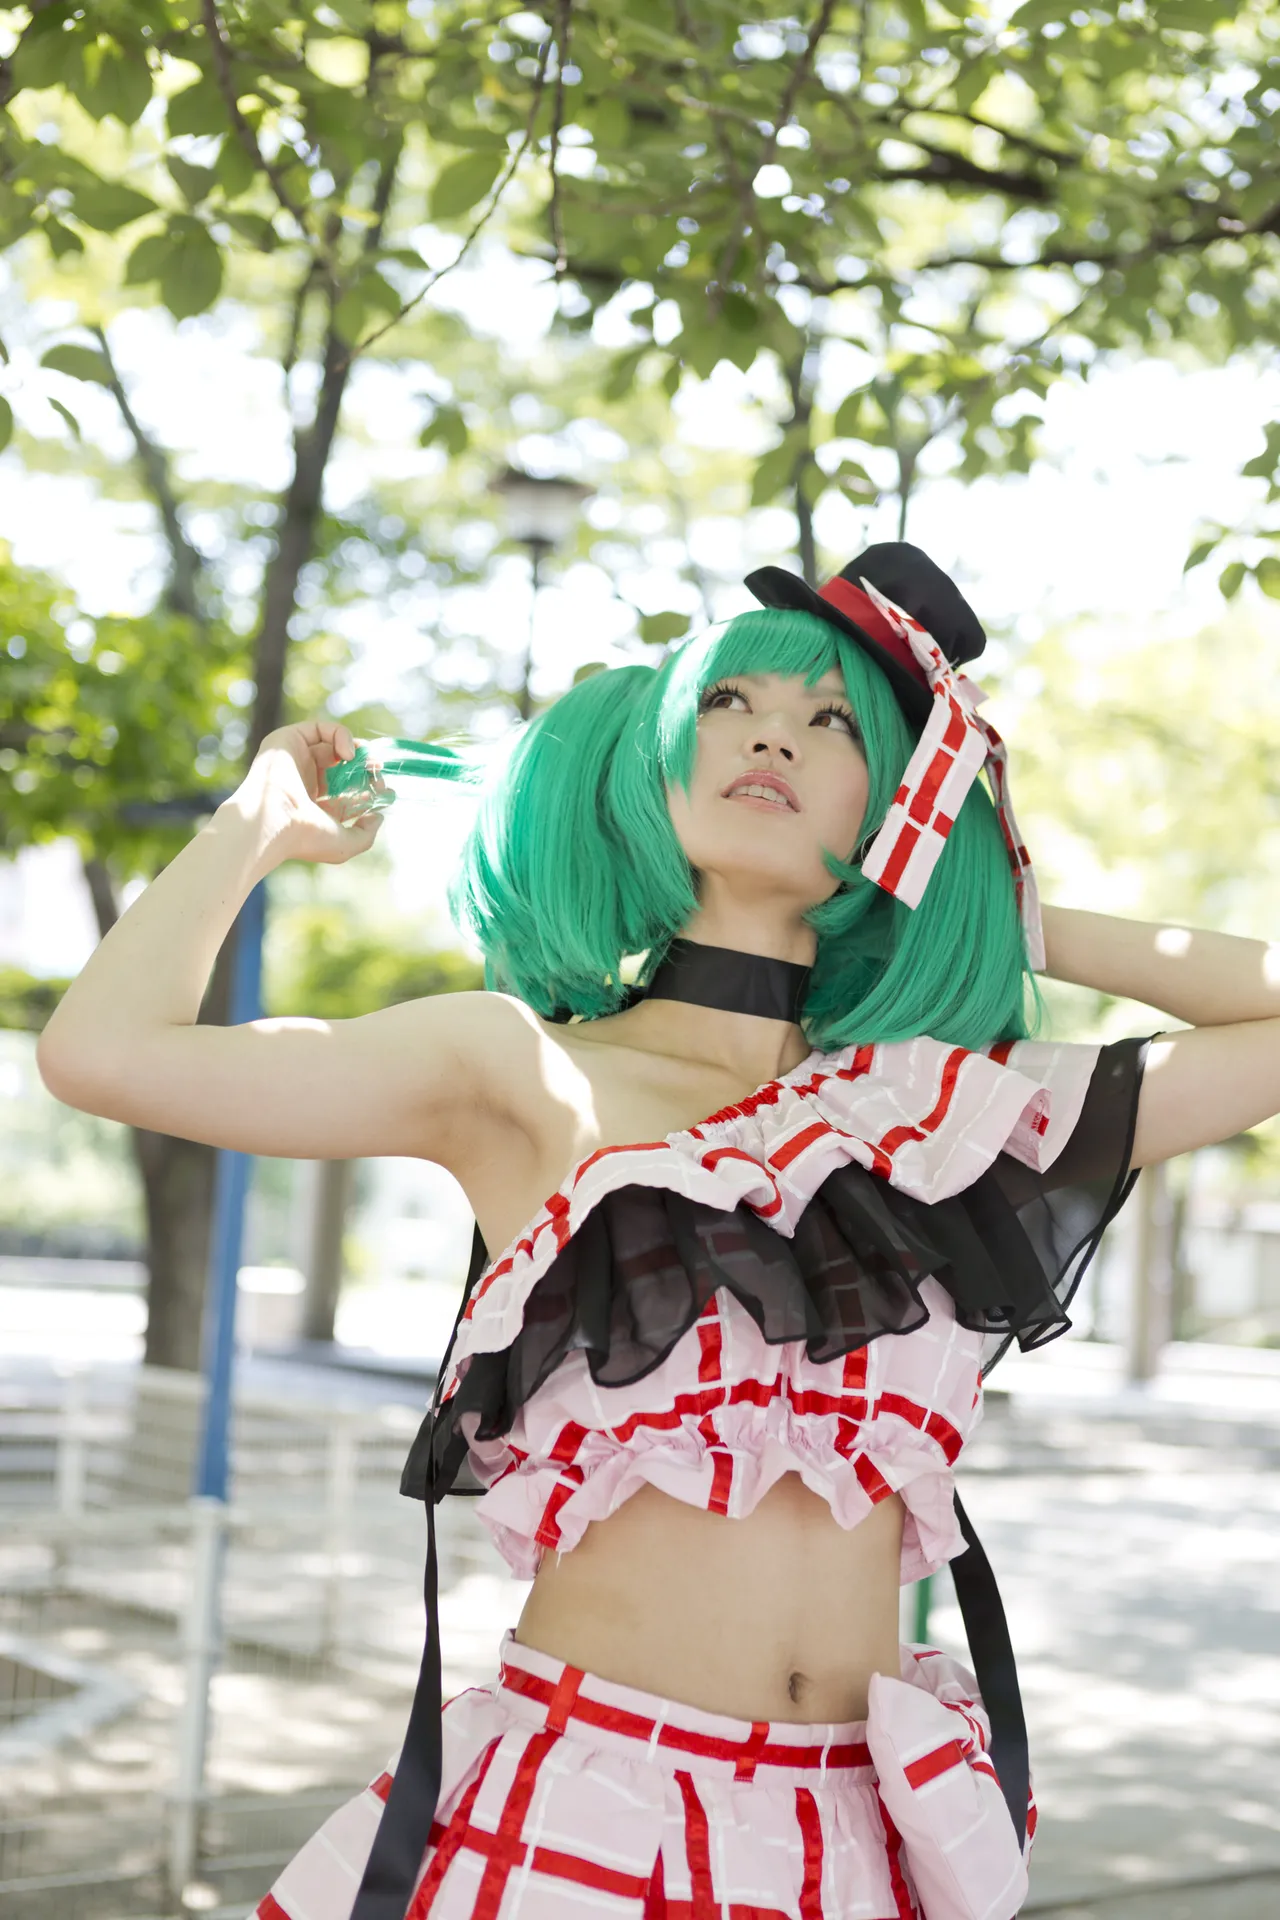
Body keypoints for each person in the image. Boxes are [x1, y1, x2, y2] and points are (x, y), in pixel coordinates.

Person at [36, 543, 1280, 1920]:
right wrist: (256, 823)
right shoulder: (516, 1065)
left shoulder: (935, 1113)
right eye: (729, 703)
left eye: (833, 723)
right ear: (657, 765)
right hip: (592, 1812)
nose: (771, 735)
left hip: (859, 1843)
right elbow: (104, 1055)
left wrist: (1001, 907)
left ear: (899, 806)